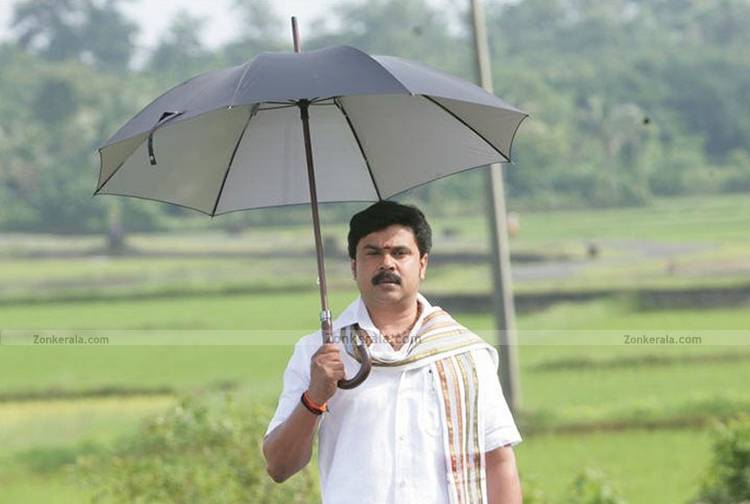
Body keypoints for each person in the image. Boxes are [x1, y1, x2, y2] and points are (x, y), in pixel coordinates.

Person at [262, 201, 523, 504]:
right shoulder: (319, 354)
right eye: (373, 253)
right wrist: (314, 398)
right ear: (354, 266)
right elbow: (279, 466)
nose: (387, 263)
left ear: (422, 264)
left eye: (400, 253)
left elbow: (498, 462)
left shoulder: (464, 354)